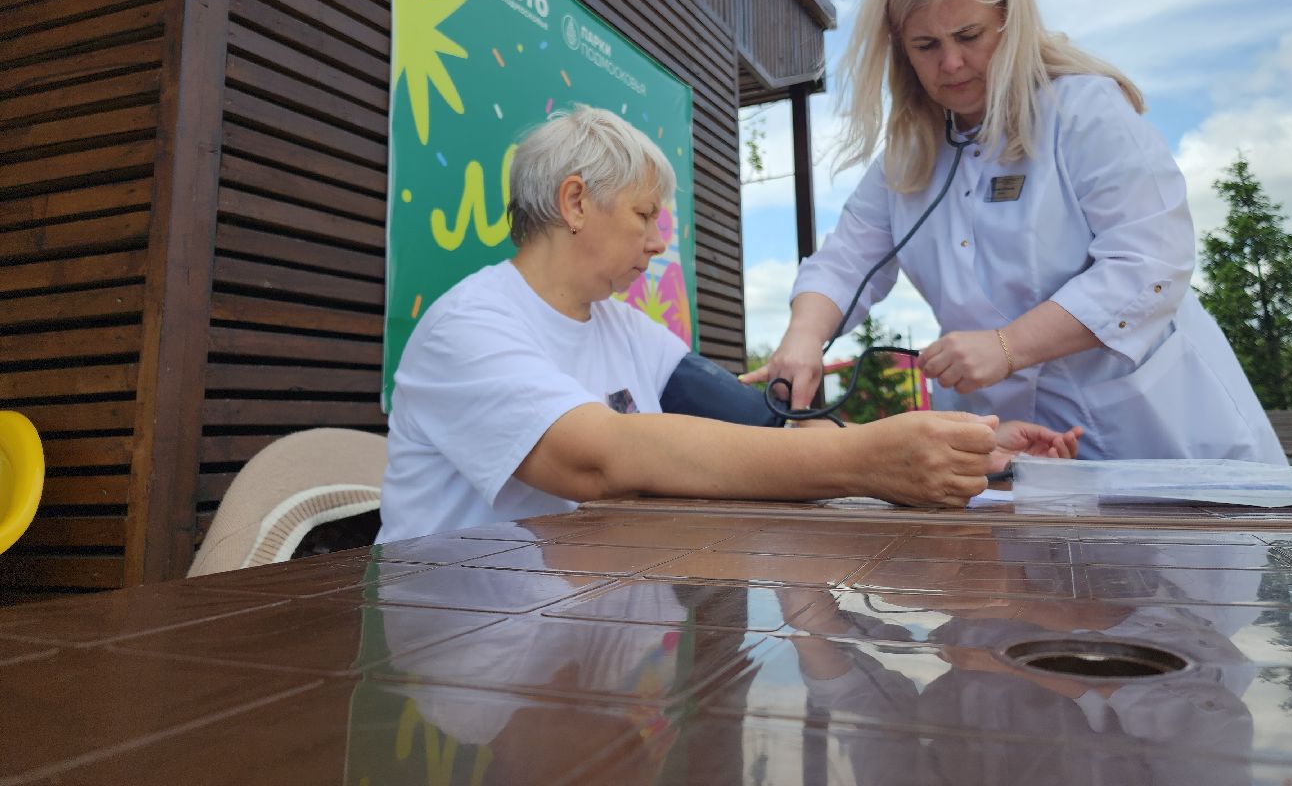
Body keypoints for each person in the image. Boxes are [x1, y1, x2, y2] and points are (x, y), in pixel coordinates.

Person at [379, 105, 1081, 542]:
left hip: (576, 644)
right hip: (468, 669)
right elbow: (596, 459)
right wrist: (870, 461)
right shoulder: (468, 327)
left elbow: (764, 426)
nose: (659, 243)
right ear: (573, 202)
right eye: (644, 215)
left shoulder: (624, 329)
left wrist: (966, 448)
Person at [743, 0, 1285, 466]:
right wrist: (803, 338)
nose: (950, 63)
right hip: (1005, 448)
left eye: (969, 36)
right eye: (926, 45)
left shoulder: (1084, 112)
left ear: (1010, 22)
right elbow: (844, 262)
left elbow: (1149, 263)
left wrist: (1008, 347)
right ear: (900, 52)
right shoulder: (904, 161)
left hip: (1154, 431)